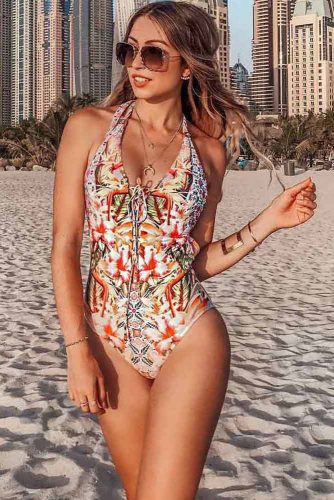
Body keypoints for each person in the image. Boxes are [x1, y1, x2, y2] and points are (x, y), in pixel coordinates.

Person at [51, 2, 317, 498]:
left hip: (188, 335)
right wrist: (77, 348)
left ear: (189, 64)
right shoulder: (88, 127)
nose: (135, 63)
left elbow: (195, 262)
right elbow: (65, 245)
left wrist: (269, 223)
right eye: (128, 50)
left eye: (153, 53)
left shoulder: (209, 152)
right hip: (108, 340)